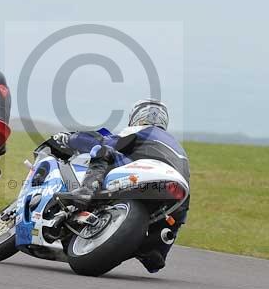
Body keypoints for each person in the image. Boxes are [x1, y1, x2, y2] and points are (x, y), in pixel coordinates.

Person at [53, 100, 190, 273]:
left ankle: (85, 191)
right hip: (176, 190)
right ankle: (155, 250)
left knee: (101, 149)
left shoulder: (142, 130)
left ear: (137, 116)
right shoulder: (179, 149)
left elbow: (107, 142)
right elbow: (184, 202)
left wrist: (70, 139)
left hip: (145, 172)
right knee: (171, 223)